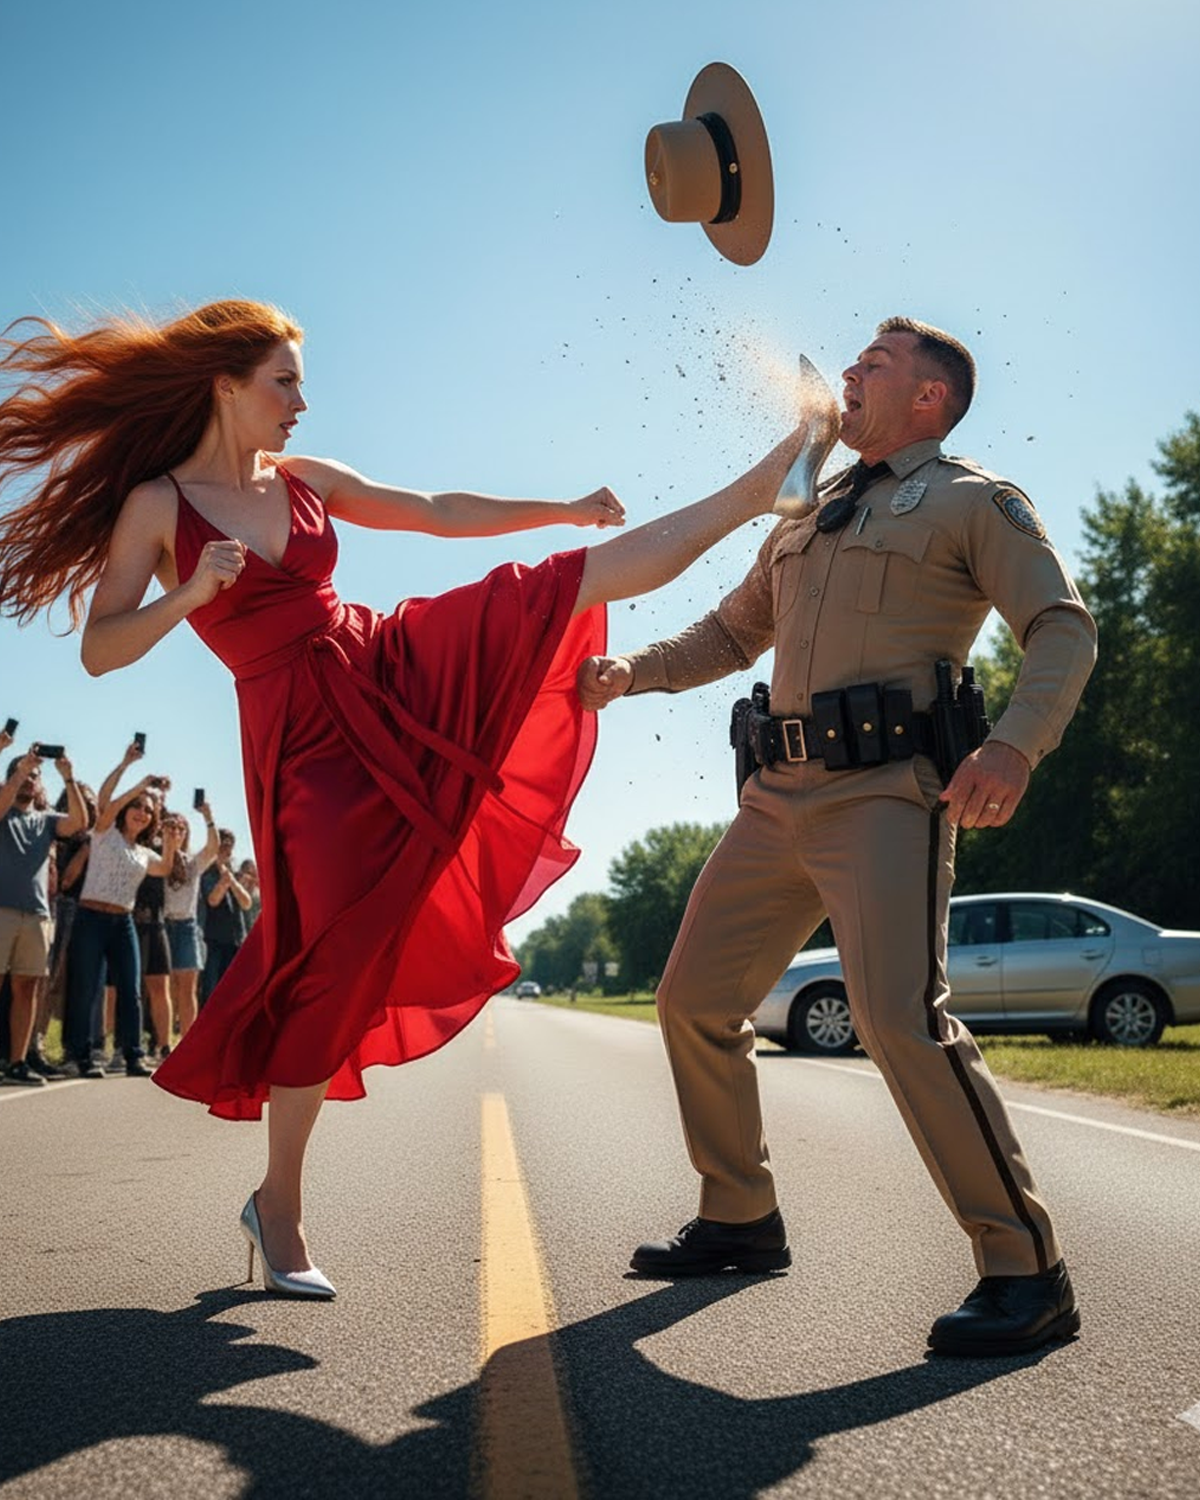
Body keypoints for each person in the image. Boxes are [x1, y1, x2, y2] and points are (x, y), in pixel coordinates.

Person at [0, 297, 809, 1297]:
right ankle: (281, 1205)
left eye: (300, 380)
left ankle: (767, 484)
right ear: (224, 385)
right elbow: (98, 650)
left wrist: (558, 508)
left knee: (550, 586)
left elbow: (432, 510)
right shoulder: (161, 508)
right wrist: (191, 595)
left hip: (383, 668)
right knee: (329, 952)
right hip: (299, 743)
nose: (302, 400)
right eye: (282, 381)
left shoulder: (303, 480)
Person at [578, 317, 1098, 1357]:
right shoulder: (806, 515)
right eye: (853, 360)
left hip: (884, 797)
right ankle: (738, 1216)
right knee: (691, 1000)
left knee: (900, 1019)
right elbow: (730, 633)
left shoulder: (969, 500)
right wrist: (631, 672)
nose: (848, 372)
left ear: (928, 401)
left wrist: (1014, 747)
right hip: (774, 800)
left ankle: (1024, 1268)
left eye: (876, 365)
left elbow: (1063, 628)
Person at [62, 775, 182, 1077]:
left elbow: (166, 868)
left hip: (123, 922)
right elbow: (106, 798)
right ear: (126, 808)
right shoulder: (104, 832)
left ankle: (133, 1055)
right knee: (85, 988)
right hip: (90, 918)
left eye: (148, 810)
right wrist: (141, 781)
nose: (142, 812)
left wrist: (171, 842)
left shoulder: (143, 854)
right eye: (137, 806)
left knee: (131, 990)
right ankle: (81, 1055)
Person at [0, 749, 89, 1084]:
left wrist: (67, 776)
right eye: (23, 775)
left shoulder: (47, 819)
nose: (29, 781)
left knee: (27, 988)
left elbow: (80, 823)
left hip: (37, 915)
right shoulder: (3, 809)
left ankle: (17, 1062)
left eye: (35, 777)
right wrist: (20, 772)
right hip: (2, 910)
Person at [163, 804, 219, 1040]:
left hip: (186, 926)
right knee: (165, 988)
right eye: (171, 827)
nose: (176, 832)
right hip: (162, 926)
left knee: (187, 988)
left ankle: (187, 1042)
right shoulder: (156, 857)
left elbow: (213, 848)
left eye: (181, 828)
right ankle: (162, 1042)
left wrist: (207, 816)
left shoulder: (193, 863)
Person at [198, 828, 251, 1003]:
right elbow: (213, 900)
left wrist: (231, 880)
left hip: (236, 939)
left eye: (229, 845)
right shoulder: (206, 873)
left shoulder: (234, 875)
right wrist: (222, 876)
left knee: (234, 990)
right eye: (223, 844)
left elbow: (246, 902)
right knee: (211, 990)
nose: (227, 849)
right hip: (213, 940)